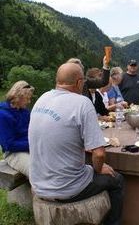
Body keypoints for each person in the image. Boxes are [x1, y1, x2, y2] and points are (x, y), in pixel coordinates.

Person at [29, 62, 124, 225]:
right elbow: (99, 153)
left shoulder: (42, 99)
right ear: (80, 83)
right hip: (69, 188)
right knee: (117, 180)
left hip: (38, 185)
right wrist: (99, 168)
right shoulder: (82, 102)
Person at [0, 81, 34, 177]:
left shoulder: (25, 112)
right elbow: (8, 145)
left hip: (29, 148)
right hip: (13, 153)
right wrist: (32, 144)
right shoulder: (3, 115)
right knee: (35, 170)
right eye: (27, 98)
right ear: (19, 96)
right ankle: (38, 191)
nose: (29, 101)